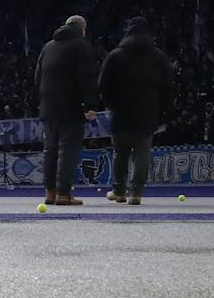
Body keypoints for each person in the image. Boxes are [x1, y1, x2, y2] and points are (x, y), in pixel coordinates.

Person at [97, 17, 174, 205]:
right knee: (142, 153)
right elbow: (168, 87)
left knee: (120, 153)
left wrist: (110, 103)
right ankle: (136, 193)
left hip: (121, 112)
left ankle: (119, 191)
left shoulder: (115, 55)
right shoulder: (158, 56)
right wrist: (163, 112)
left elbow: (102, 84)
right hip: (147, 113)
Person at [36, 14, 97, 206]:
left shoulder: (48, 46)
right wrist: (90, 105)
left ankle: (50, 192)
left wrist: (43, 100)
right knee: (67, 151)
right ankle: (64, 193)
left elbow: (38, 77)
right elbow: (86, 77)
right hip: (70, 108)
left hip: (48, 107)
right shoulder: (81, 46)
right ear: (82, 29)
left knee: (50, 151)